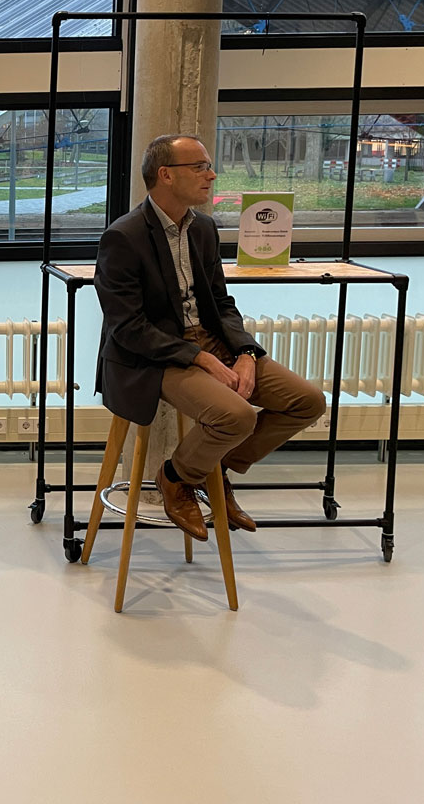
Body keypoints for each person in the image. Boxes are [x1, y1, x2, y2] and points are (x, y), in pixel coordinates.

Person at [93, 134, 326, 540]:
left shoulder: (203, 228)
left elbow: (221, 302)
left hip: (212, 340)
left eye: (209, 166)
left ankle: (201, 469)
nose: (212, 175)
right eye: (199, 167)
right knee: (235, 416)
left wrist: (247, 352)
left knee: (307, 401)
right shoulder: (124, 236)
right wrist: (199, 358)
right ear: (166, 175)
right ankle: (174, 478)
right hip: (155, 355)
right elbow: (128, 327)